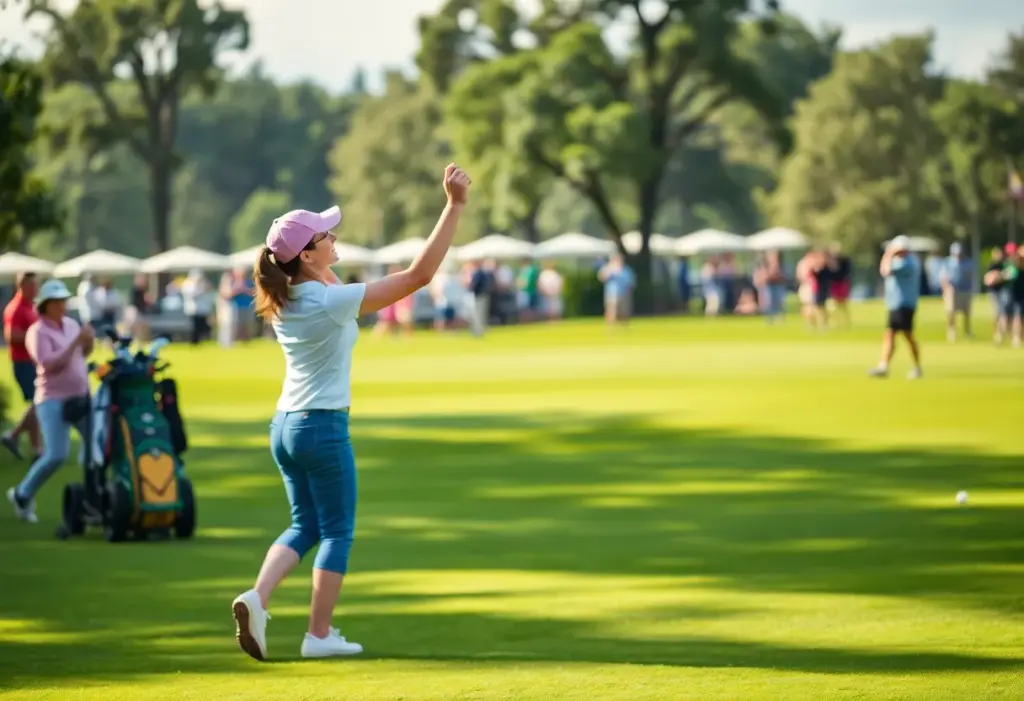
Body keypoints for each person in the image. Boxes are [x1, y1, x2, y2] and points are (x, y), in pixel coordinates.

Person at [230, 163, 471, 662]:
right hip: (321, 426)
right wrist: (454, 207)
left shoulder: (291, 293)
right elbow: (419, 277)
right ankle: (319, 635)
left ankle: (257, 597)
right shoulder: (325, 300)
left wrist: (319, 260)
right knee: (337, 529)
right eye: (324, 234)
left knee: (305, 524)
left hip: (285, 427)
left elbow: (326, 276)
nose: (334, 236)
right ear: (306, 253)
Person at [7, 279, 94, 523]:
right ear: (46, 305)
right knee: (56, 454)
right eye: (57, 302)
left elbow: (82, 355)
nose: (62, 306)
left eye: (63, 301)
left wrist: (87, 342)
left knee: (97, 446)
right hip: (52, 399)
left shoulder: (70, 324)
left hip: (80, 395)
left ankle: (94, 496)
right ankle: (22, 494)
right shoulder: (37, 332)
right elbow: (49, 364)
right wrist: (77, 342)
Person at [869, 235, 923, 379]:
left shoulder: (907, 263)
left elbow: (885, 271)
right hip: (896, 303)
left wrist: (888, 254)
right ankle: (885, 365)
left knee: (906, 335)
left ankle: (915, 367)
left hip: (903, 304)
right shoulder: (905, 260)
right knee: (891, 334)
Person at [1, 272, 42, 460]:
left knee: (37, 404)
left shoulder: (30, 307)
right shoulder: (15, 308)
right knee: (40, 402)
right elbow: (10, 335)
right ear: (22, 286)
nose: (36, 289)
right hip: (23, 362)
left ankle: (37, 449)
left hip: (33, 361)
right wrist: (34, 336)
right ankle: (14, 434)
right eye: (32, 286)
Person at [939, 242, 973, 342]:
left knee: (966, 312)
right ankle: (951, 331)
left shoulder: (968, 262)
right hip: (951, 291)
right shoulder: (947, 262)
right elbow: (943, 277)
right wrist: (947, 287)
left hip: (965, 290)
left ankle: (967, 331)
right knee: (951, 312)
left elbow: (970, 277)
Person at [994, 243, 1023, 347]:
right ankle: (1000, 336)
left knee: (1018, 316)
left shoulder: (1020, 262)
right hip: (1007, 292)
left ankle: (1017, 338)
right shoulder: (1006, 263)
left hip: (1019, 293)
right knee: (1004, 315)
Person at [599, 254, 636, 326]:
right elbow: (601, 277)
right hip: (612, 293)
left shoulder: (626, 269)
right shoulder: (609, 268)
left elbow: (631, 282)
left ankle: (624, 326)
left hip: (624, 293)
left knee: (624, 311)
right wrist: (609, 273)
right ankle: (610, 326)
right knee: (611, 310)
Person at [983, 246, 1008, 343]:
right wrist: (998, 276)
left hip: (1003, 291)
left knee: (1002, 313)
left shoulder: (1004, 264)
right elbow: (988, 280)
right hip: (994, 292)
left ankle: (1001, 333)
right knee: (997, 313)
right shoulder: (991, 265)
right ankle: (997, 333)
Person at [181, 270, 212, 345]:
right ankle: (194, 341)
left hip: (202, 309)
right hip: (193, 309)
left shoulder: (203, 284)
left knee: (202, 326)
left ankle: (200, 340)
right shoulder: (188, 284)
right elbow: (192, 295)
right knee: (194, 327)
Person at [828, 243, 853, 328]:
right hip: (834, 284)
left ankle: (846, 321)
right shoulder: (830, 262)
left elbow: (845, 273)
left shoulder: (844, 261)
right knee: (834, 304)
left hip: (842, 284)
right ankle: (836, 322)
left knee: (843, 304)